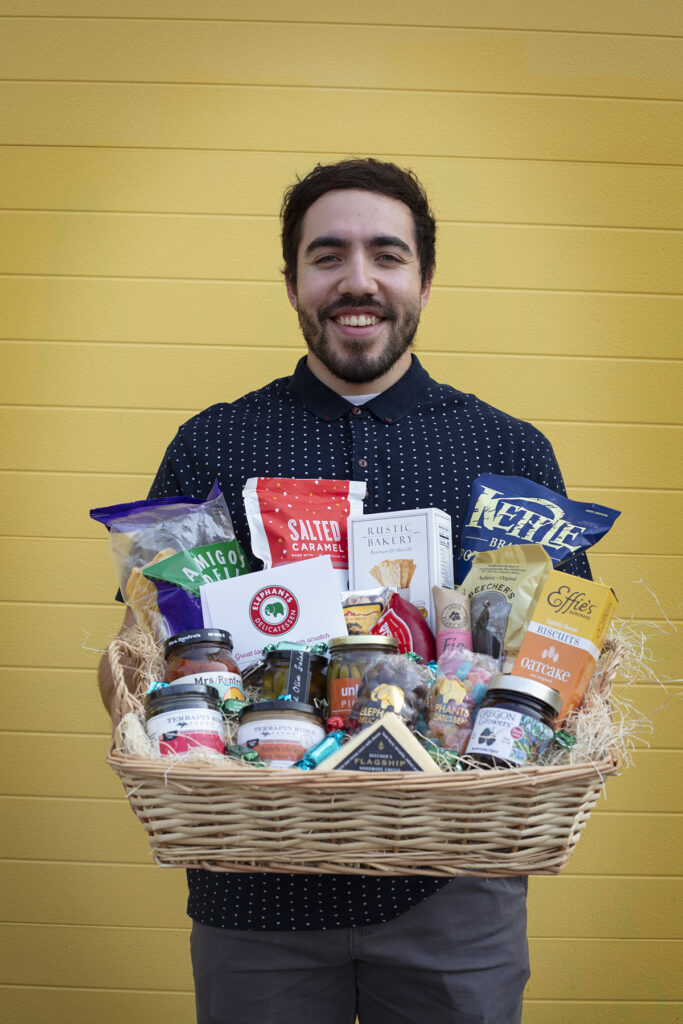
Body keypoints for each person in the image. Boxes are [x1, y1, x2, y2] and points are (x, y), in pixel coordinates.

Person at [98, 158, 590, 1024]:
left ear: (425, 281)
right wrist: (139, 718)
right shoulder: (214, 443)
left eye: (386, 256)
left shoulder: (506, 451)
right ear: (291, 281)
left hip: (455, 895)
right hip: (253, 898)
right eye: (327, 256)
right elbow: (147, 651)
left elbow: (569, 663)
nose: (357, 282)